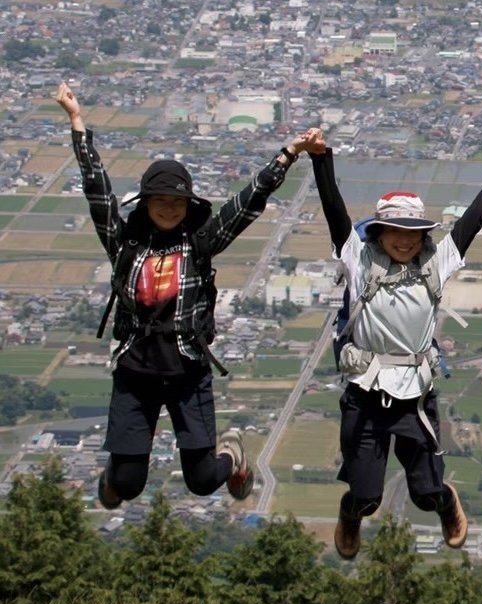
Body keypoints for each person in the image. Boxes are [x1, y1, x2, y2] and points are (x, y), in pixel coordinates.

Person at [55, 81, 313, 509]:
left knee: (199, 480)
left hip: (187, 370)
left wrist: (288, 154)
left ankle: (230, 456)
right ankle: (117, 473)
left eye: (177, 201)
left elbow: (247, 203)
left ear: (188, 205)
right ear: (146, 202)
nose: (169, 208)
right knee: (128, 484)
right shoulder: (125, 242)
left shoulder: (199, 243)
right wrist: (76, 121)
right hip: (136, 372)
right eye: (160, 200)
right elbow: (96, 190)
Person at [304, 132, 482, 558]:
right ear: (379, 230)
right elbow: (334, 209)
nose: (404, 241)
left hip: (415, 396)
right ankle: (350, 513)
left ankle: (446, 504)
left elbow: (471, 223)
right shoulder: (359, 259)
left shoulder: (434, 263)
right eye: (394, 231)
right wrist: (322, 158)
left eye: (412, 233)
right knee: (365, 495)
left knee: (426, 490)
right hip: (365, 394)